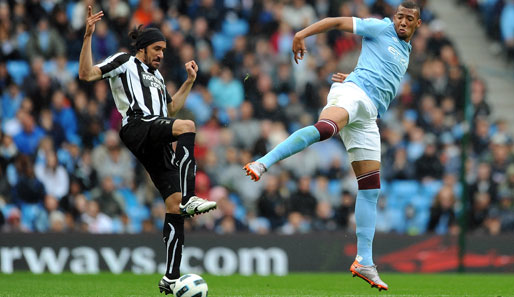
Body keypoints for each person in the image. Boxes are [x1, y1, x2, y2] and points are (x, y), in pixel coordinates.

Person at [244, 1, 422, 291]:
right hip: (354, 94)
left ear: (417, 24)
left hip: (368, 113)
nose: (402, 22)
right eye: (399, 16)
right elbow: (338, 22)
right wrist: (302, 34)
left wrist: (355, 74)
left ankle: (365, 261)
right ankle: (263, 162)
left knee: (371, 188)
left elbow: (375, 68)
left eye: (409, 18)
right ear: (394, 17)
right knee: (326, 129)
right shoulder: (381, 28)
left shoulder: (406, 50)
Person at [78, 6, 217, 295]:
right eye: (157, 48)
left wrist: (190, 82)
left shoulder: (157, 77)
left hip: (157, 134)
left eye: (164, 50)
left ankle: (170, 277)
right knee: (188, 125)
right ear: (142, 48)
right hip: (137, 127)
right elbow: (87, 74)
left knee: (173, 205)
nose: (162, 54)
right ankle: (191, 195)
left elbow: (170, 109)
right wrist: (88, 36)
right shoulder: (125, 61)